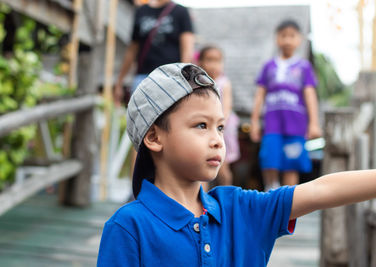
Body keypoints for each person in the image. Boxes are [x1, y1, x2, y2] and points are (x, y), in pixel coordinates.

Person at [97, 63, 376, 266]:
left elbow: (322, 190)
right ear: (155, 137)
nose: (218, 140)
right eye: (201, 125)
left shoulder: (241, 209)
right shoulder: (128, 227)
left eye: (220, 127)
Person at [250, 19, 322, 191]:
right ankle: (271, 192)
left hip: (296, 125)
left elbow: (310, 95)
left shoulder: (304, 67)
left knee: (291, 164)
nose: (287, 40)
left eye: (292, 36)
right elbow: (260, 95)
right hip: (272, 124)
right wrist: (254, 122)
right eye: (283, 36)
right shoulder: (269, 66)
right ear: (277, 39)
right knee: (269, 160)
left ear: (299, 40)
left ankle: (289, 204)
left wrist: (314, 123)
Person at [113, 0, 194, 106]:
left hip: (171, 77)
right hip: (144, 77)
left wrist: (185, 78)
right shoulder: (141, 11)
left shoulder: (180, 11)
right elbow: (132, 49)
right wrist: (120, 82)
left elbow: (187, 48)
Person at [198, 46, 240, 187]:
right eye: (209, 60)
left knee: (222, 166)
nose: (214, 65)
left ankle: (228, 197)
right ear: (200, 62)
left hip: (222, 130)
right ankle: (201, 200)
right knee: (200, 166)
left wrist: (219, 127)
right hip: (203, 130)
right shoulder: (199, 84)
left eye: (218, 61)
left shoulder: (224, 83)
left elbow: (226, 108)